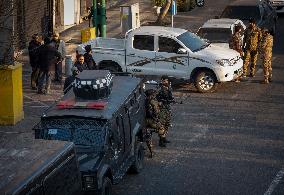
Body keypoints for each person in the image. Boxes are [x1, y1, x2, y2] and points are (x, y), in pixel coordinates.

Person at [145, 89, 167, 156]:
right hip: (150, 121)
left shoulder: (144, 100)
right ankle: (161, 141)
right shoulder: (152, 102)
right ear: (151, 95)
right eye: (154, 94)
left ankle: (151, 152)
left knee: (148, 136)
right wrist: (157, 119)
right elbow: (154, 113)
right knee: (162, 128)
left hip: (144, 121)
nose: (155, 95)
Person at [156, 75, 174, 143]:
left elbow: (170, 97)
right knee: (162, 124)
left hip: (167, 107)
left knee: (167, 123)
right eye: (163, 80)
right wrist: (160, 101)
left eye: (166, 80)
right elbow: (156, 98)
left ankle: (164, 137)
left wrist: (171, 100)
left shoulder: (168, 87)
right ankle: (161, 140)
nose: (165, 82)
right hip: (162, 109)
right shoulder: (159, 88)